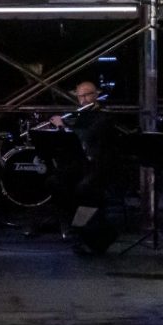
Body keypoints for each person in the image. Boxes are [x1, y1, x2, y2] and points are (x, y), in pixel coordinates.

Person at [46, 79, 118, 255]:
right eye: (80, 96)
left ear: (96, 95)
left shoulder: (104, 116)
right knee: (54, 181)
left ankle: (87, 231)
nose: (84, 100)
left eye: (87, 95)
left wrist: (62, 126)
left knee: (84, 189)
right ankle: (74, 224)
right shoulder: (80, 116)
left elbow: (85, 136)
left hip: (101, 166)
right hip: (81, 165)